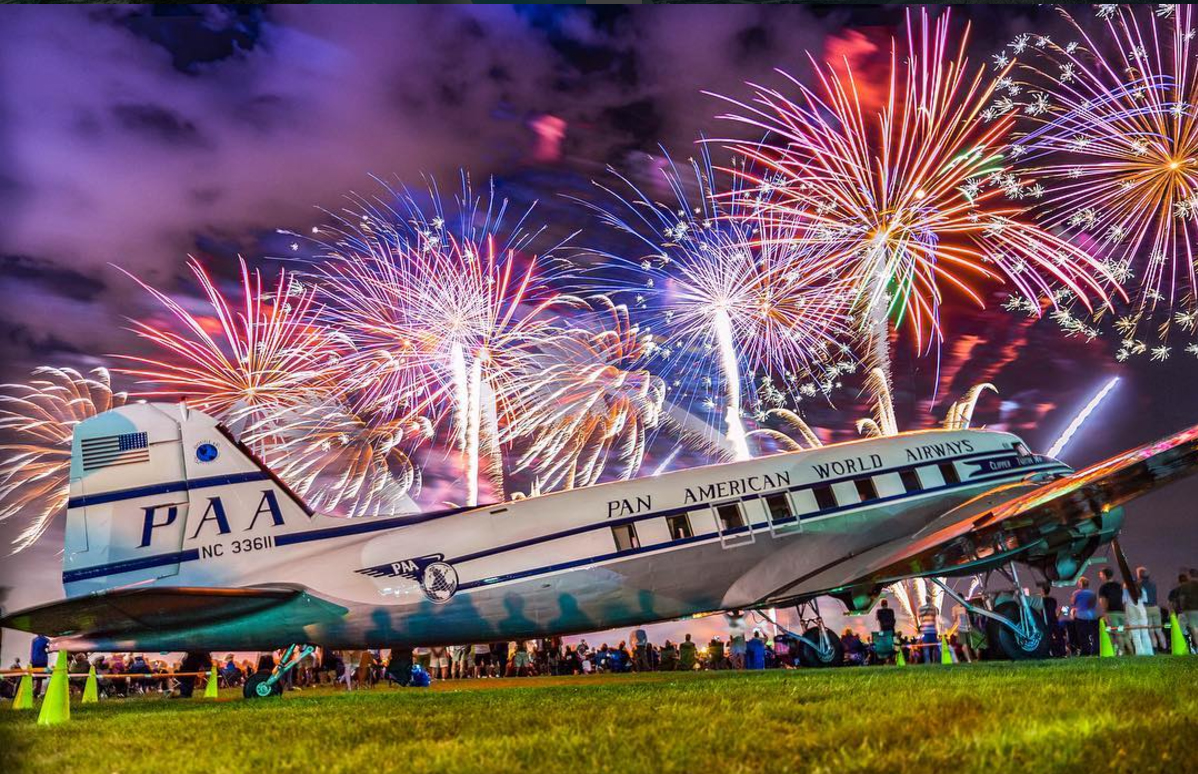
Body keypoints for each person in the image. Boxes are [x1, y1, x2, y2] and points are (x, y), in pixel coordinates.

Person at [1098, 568, 1130, 655]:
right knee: (1123, 633)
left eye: (1101, 574)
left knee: (1116, 633)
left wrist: (1105, 613)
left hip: (1112, 612)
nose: (1100, 576)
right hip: (1122, 612)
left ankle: (1120, 652)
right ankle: (1129, 651)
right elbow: (1125, 600)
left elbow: (1103, 601)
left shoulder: (1103, 587)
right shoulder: (1119, 585)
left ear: (1104, 575)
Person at [1135, 567, 1166, 651]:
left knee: (1151, 631)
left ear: (1139, 575)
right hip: (1155, 608)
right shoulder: (1153, 584)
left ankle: (1155, 648)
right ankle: (1164, 648)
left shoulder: (1139, 585)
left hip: (1146, 608)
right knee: (1159, 630)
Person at [1123, 580, 1154, 656]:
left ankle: (1139, 652)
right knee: (1145, 633)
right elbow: (1145, 600)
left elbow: (1124, 601)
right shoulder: (1142, 589)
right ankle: (1149, 652)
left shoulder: (1126, 590)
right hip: (1141, 610)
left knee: (1135, 634)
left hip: (1131, 611)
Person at [1071, 576, 1099, 656]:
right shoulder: (1092, 593)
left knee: (1083, 635)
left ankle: (1085, 652)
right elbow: (1093, 604)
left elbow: (1073, 602)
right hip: (1092, 616)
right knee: (1094, 635)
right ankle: (1095, 651)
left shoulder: (1077, 593)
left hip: (1081, 616)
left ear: (1080, 584)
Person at [917, 596, 939, 664]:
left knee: (926, 648)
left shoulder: (921, 608)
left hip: (925, 631)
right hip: (932, 630)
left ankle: (927, 662)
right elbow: (936, 618)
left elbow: (919, 617)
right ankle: (938, 661)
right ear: (930, 600)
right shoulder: (934, 608)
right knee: (936, 647)